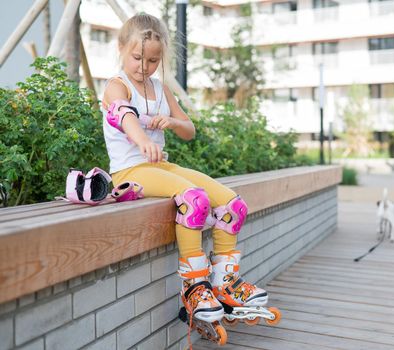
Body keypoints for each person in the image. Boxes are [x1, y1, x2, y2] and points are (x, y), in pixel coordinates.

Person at [101, 13, 268, 328]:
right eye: (137, 57)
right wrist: (142, 141)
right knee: (194, 199)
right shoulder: (116, 86)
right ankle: (194, 287)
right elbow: (122, 116)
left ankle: (224, 283)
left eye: (152, 60)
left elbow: (189, 130)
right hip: (129, 172)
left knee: (233, 204)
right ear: (121, 48)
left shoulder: (160, 88)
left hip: (160, 167)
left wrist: (173, 122)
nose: (143, 66)